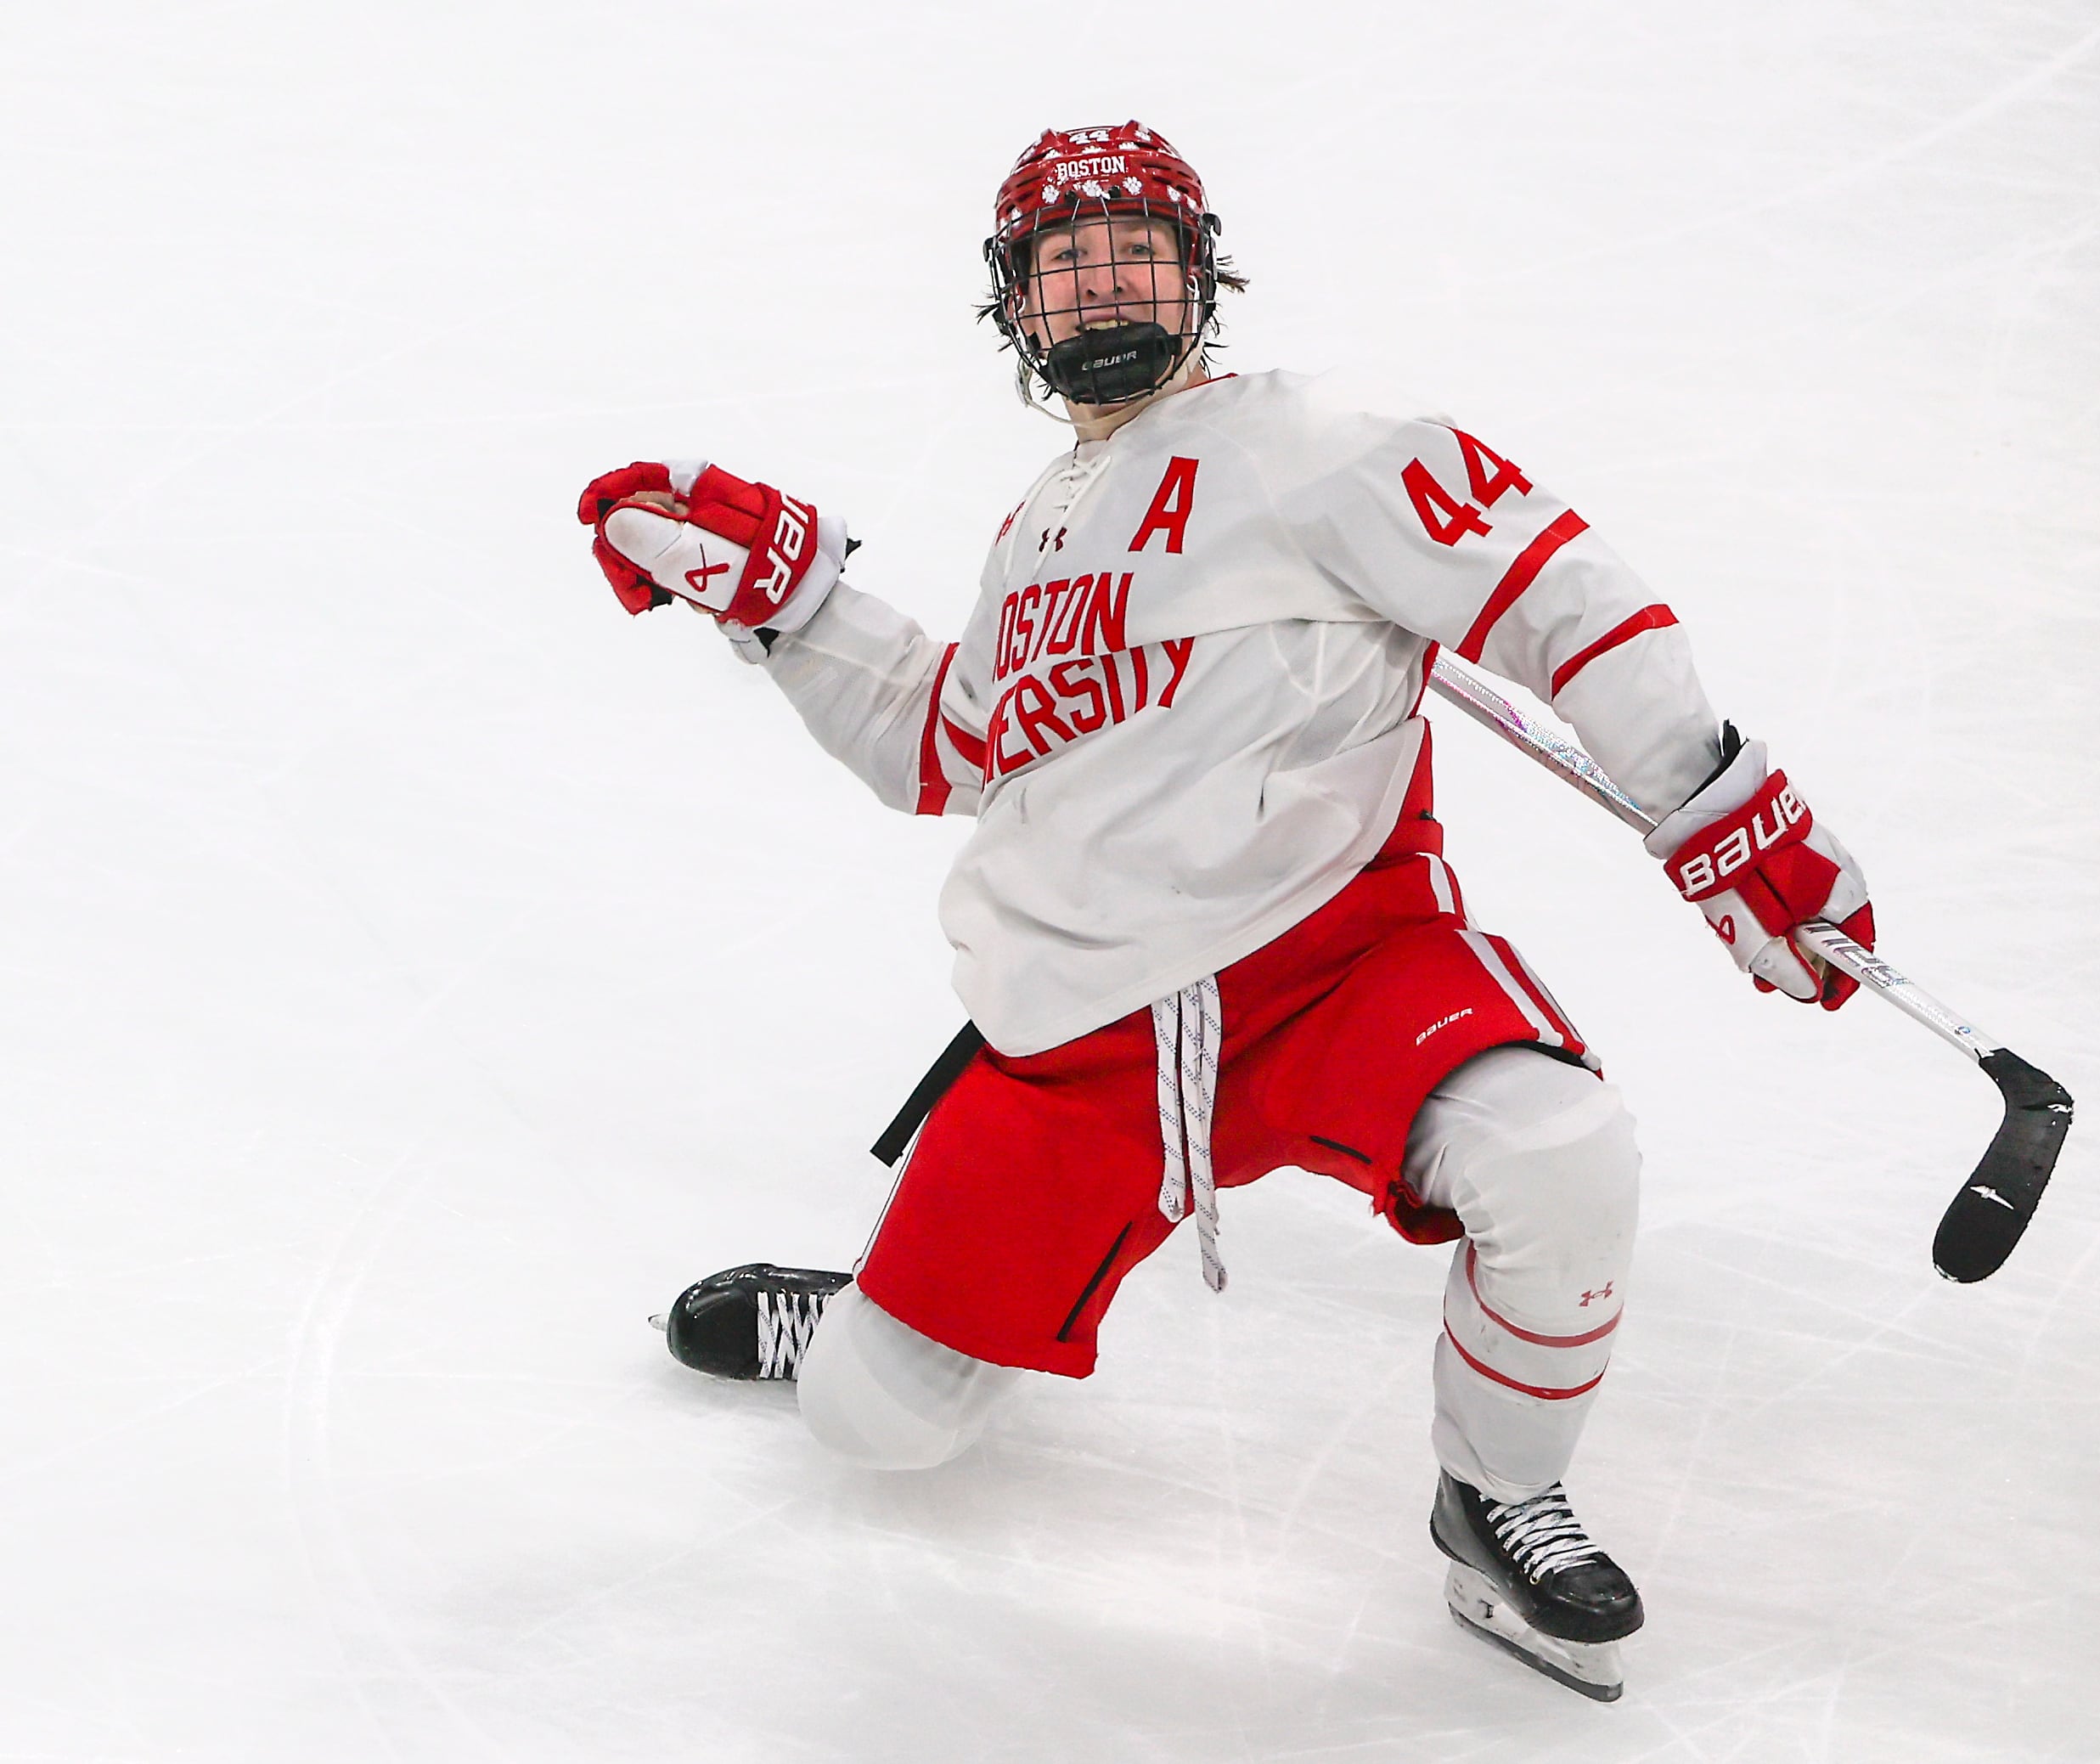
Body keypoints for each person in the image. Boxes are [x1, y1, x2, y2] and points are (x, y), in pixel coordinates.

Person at [577, 121, 1875, 1702]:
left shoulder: (1327, 444)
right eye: (1066, 262)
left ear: (1202, 275)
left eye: (1135, 250)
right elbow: (949, 747)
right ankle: (863, 1318)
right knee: (877, 1424)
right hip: (1082, 1043)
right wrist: (800, 613)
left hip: (1336, 967)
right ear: (1014, 304)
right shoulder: (1033, 534)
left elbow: (1559, 596)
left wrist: (1716, 803)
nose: (1102, 285)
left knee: (1555, 1145)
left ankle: (1496, 1495)